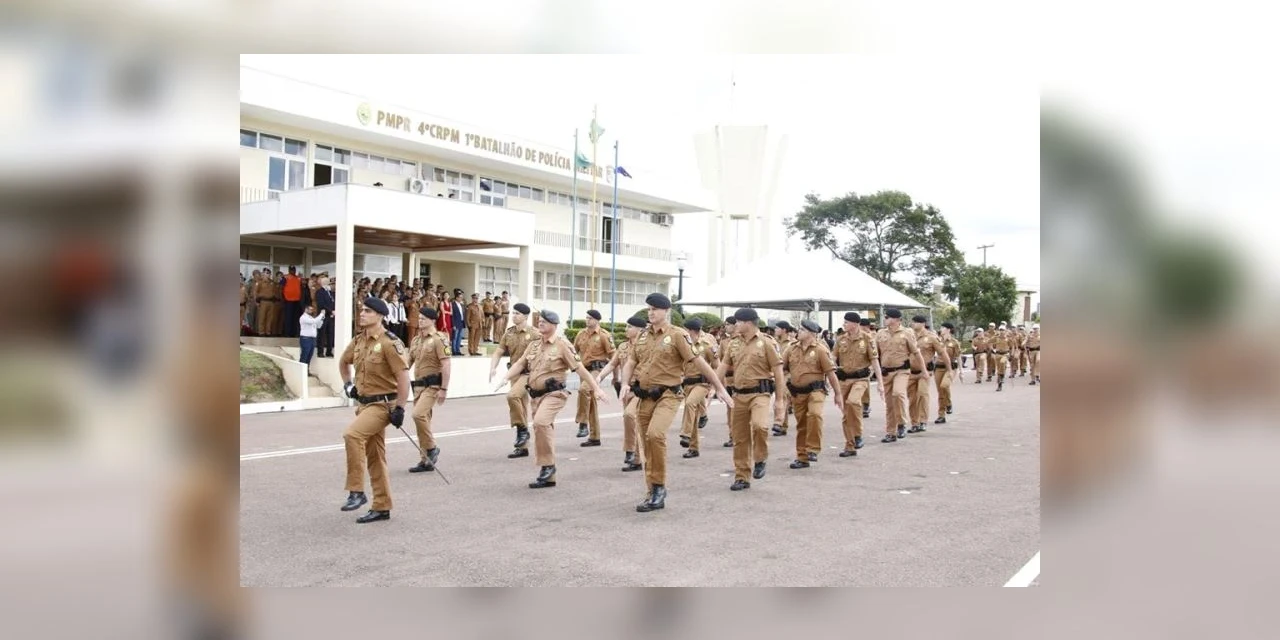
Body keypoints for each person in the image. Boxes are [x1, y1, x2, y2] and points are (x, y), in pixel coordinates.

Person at [620, 293, 731, 511]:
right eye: (649, 309)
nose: (651, 312)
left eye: (655, 309)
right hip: (644, 396)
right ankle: (652, 490)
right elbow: (631, 361)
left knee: (655, 434)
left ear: (666, 311)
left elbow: (699, 362)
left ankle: (659, 486)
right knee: (646, 442)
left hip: (668, 395)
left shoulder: (678, 335)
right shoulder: (642, 336)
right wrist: (625, 382)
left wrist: (719, 388)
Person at [498, 309, 609, 489]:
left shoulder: (562, 345)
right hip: (536, 395)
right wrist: (505, 378)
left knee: (541, 423)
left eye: (545, 321)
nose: (540, 323)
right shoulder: (534, 344)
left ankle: (548, 466)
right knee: (542, 428)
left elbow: (579, 369)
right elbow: (520, 364)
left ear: (554, 325)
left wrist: (596, 388)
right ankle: (548, 473)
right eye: (539, 321)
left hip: (554, 394)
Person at [337, 296, 410, 524]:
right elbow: (343, 362)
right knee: (375, 456)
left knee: (352, 435)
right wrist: (348, 385)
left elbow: (403, 376)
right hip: (364, 405)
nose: (362, 314)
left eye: (367, 311)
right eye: (361, 310)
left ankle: (356, 491)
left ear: (379, 315)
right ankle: (382, 506)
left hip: (382, 404)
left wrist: (400, 407)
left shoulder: (390, 342)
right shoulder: (359, 341)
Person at [715, 308, 779, 491]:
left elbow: (778, 371)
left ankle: (760, 458)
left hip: (760, 393)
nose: (735, 325)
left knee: (760, 426)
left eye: (738, 322)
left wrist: (780, 400)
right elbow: (723, 366)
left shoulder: (766, 343)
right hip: (739, 395)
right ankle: (742, 476)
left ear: (748, 323)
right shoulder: (733, 344)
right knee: (740, 437)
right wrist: (715, 388)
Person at [596, 317, 647, 472]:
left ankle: (636, 457)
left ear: (639, 330)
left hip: (640, 389)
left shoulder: (646, 346)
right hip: (626, 391)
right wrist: (600, 377)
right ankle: (631, 451)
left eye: (630, 326)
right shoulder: (623, 346)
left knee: (630, 415)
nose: (626, 329)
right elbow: (612, 363)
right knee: (628, 420)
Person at [489, 303, 538, 458]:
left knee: (512, 396)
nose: (514, 315)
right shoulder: (509, 333)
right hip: (514, 374)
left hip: (528, 374)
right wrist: (493, 367)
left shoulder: (535, 333)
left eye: (517, 313)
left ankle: (523, 430)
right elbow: (499, 351)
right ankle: (523, 447)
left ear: (525, 316)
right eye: (513, 313)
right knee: (521, 407)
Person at [406, 306, 449, 474]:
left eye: (424, 318)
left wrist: (444, 388)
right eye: (419, 318)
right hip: (418, 387)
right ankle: (426, 460)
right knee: (423, 422)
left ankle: (431, 448)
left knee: (417, 414)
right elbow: (406, 363)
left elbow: (446, 364)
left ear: (432, 320)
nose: (420, 320)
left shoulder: (440, 339)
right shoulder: (416, 340)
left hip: (433, 386)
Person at [833, 312, 881, 456]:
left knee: (853, 402)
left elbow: (874, 360)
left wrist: (880, 383)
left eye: (846, 322)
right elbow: (832, 357)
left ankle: (858, 434)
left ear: (855, 323)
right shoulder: (840, 340)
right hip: (844, 380)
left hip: (860, 379)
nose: (844, 325)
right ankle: (850, 446)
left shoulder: (867, 339)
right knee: (846, 414)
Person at [875, 309, 925, 443]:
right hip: (886, 372)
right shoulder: (880, 333)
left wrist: (924, 370)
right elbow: (875, 354)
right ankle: (891, 432)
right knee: (889, 403)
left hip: (901, 371)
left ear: (896, 319)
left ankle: (902, 423)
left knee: (898, 394)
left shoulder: (907, 333)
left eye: (887, 317)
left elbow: (916, 352)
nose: (885, 319)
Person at [677, 317, 719, 459]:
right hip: (687, 383)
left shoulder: (706, 346)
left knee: (690, 404)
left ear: (691, 331)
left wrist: (715, 387)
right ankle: (693, 448)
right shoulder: (683, 346)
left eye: (686, 330)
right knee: (692, 416)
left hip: (702, 384)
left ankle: (685, 434)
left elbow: (716, 366)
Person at [573, 309, 615, 445]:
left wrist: (616, 376)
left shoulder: (604, 335)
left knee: (584, 390)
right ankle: (595, 437)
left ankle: (582, 423)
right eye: (586, 317)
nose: (587, 320)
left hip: (597, 370)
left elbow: (613, 357)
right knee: (591, 404)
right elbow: (573, 352)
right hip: (584, 371)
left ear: (597, 320)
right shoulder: (581, 334)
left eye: (590, 318)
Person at [909, 315, 950, 433]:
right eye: (913, 322)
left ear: (923, 324)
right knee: (912, 399)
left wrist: (950, 369)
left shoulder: (931, 337)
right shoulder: (909, 336)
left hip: (925, 372)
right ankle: (914, 423)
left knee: (922, 394)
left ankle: (923, 421)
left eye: (916, 322)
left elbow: (943, 353)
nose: (913, 324)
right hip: (910, 372)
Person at [935, 323, 962, 423]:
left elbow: (958, 356)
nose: (941, 329)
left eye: (943, 328)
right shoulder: (937, 340)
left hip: (950, 368)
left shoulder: (954, 342)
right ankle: (941, 415)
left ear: (948, 330)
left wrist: (961, 371)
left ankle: (949, 403)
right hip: (938, 368)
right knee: (940, 392)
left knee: (944, 386)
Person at [282, 266, 303, 338]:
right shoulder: (286, 277)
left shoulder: (298, 278)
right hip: (288, 300)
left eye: (293, 270)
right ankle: (287, 333)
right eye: (291, 270)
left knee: (295, 318)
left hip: (296, 300)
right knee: (288, 318)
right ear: (289, 270)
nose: (292, 271)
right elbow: (281, 287)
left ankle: (294, 332)